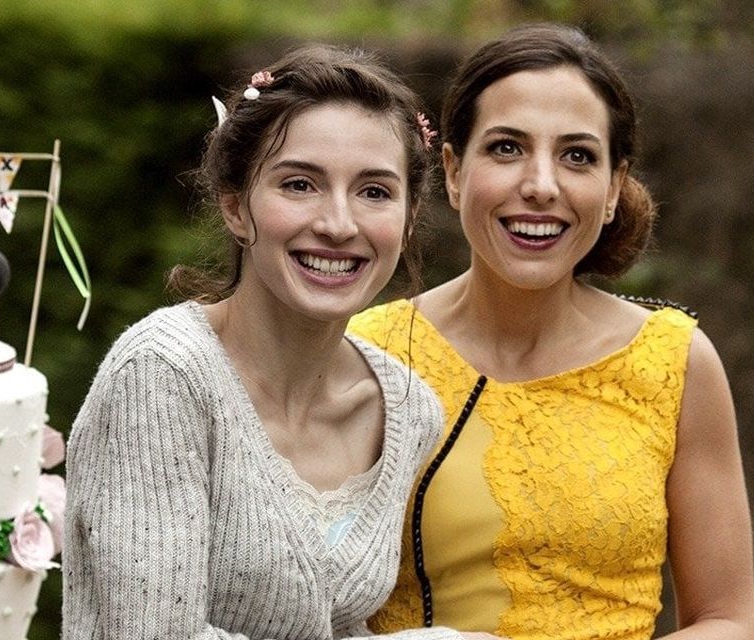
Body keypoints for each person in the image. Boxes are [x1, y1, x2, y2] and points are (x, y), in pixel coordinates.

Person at [63, 46, 494, 640]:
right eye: (299, 184)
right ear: (235, 206)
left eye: (374, 191)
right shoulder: (162, 377)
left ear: (409, 217)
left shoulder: (406, 410)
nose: (338, 224)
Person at [349, 24, 754, 640]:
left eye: (577, 156)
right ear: (454, 172)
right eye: (507, 148)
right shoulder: (368, 354)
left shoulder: (676, 362)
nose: (541, 186)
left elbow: (729, 620)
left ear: (614, 187)